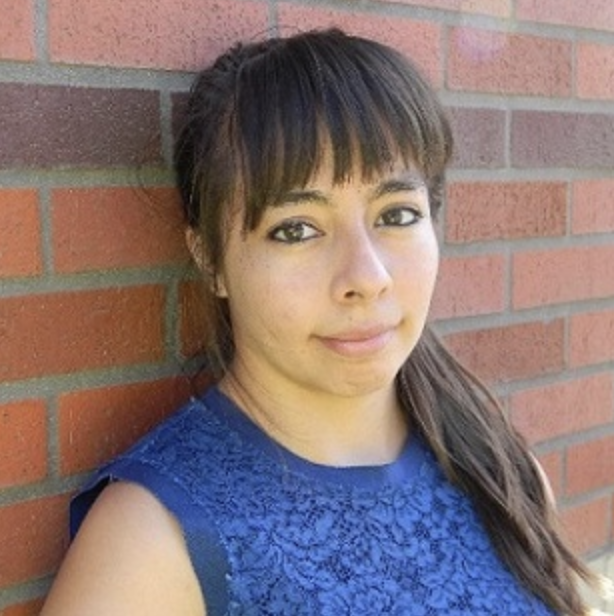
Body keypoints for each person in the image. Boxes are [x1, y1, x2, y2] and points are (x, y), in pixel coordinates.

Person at [42, 28, 597, 615]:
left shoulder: (503, 476)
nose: (367, 276)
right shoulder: (154, 540)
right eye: (297, 229)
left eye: (397, 214)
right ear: (211, 259)